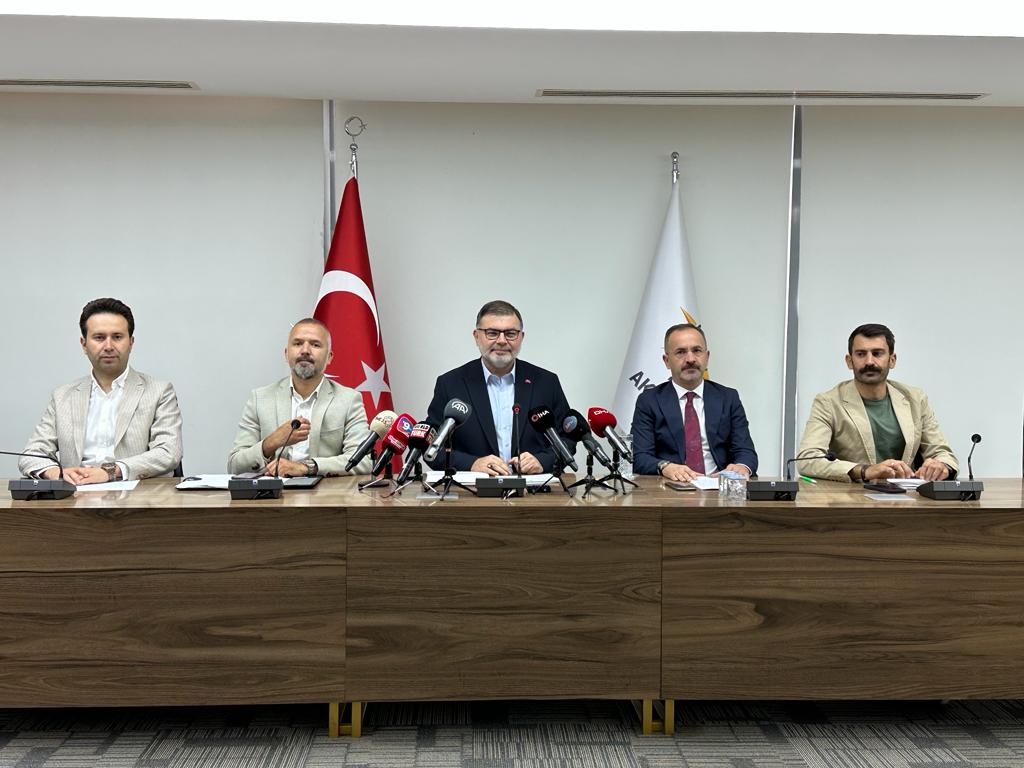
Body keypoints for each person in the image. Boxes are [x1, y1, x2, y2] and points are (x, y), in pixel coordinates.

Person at [19, 297, 183, 484]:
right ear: (84, 344)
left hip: (137, 496)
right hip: (75, 496)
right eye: (99, 337)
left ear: (131, 342)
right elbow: (31, 454)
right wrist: (58, 474)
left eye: (117, 337)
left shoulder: (159, 392)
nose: (108, 346)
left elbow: (168, 452)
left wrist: (110, 471)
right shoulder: (62, 396)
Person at [425, 300, 574, 475]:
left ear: (521, 337)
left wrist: (543, 461)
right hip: (473, 490)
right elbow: (430, 446)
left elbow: (568, 438)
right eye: (492, 333)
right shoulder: (450, 384)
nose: (502, 341)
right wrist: (472, 464)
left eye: (510, 334)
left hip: (534, 489)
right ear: (476, 336)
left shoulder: (546, 382)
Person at [797, 323, 958, 483]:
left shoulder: (915, 399)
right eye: (861, 354)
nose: (869, 361)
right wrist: (864, 470)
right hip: (851, 495)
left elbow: (943, 454)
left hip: (907, 495)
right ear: (849, 361)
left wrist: (941, 466)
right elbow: (807, 460)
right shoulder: (828, 402)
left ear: (892, 360)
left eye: (877, 353)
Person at [228, 318, 372, 476]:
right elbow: (235, 465)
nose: (305, 350)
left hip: (326, 491)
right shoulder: (260, 399)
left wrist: (306, 467)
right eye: (297, 343)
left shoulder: (348, 400)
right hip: (273, 491)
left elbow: (363, 461)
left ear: (329, 357)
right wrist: (272, 442)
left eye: (315, 345)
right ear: (286, 354)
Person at [631, 323, 758, 481]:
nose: (690, 359)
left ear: (707, 357)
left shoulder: (728, 398)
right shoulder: (649, 401)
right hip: (671, 487)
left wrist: (742, 466)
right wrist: (665, 467)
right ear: (667, 361)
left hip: (719, 487)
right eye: (681, 352)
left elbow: (745, 451)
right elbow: (640, 457)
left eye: (697, 350)